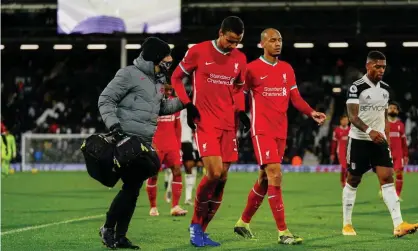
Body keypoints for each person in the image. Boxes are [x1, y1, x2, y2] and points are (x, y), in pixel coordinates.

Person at [232, 28, 326, 245]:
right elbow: (239, 94)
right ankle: (283, 232)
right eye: (273, 40)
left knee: (265, 178)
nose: (277, 43)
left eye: (280, 40)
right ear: (262, 44)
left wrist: (311, 111)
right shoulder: (252, 69)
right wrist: (240, 114)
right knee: (275, 174)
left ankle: (243, 222)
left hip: (280, 131)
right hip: (261, 129)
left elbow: (295, 97)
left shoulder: (286, 69)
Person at [97, 37, 184, 249]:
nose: (169, 60)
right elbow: (105, 99)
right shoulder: (128, 74)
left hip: (142, 143)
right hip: (124, 140)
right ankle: (109, 229)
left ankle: (119, 235)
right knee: (130, 188)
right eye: (166, 56)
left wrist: (185, 101)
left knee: (133, 188)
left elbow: (161, 109)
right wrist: (115, 127)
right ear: (155, 56)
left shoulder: (158, 81)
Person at [171, 16, 249, 247]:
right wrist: (187, 104)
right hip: (205, 122)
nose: (233, 46)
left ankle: (202, 231)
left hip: (229, 124)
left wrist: (242, 111)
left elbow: (237, 88)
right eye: (230, 40)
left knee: (223, 179)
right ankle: (195, 224)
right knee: (213, 173)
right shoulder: (199, 51)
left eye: (238, 42)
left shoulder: (240, 59)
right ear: (221, 33)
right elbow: (176, 77)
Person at [343, 50, 418, 237]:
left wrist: (386, 137)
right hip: (359, 140)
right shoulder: (356, 87)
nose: (381, 70)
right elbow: (352, 116)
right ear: (368, 66)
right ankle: (347, 224)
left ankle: (398, 224)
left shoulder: (385, 89)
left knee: (387, 178)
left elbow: (384, 115)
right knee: (353, 179)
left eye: (383, 67)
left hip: (379, 141)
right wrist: (370, 131)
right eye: (377, 66)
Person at [146, 84, 188, 217]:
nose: (168, 92)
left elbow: (177, 127)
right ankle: (153, 207)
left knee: (177, 172)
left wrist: (178, 146)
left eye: (170, 90)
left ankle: (175, 206)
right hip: (156, 145)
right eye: (166, 90)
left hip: (172, 145)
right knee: (153, 175)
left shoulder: (174, 105)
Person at [386, 101, 409, 198]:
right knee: (385, 176)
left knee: (399, 174)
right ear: (387, 110)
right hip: (386, 154)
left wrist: (406, 155)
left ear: (398, 111)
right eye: (390, 107)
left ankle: (397, 195)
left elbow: (404, 142)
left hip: (398, 154)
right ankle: (385, 194)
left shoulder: (401, 125)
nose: (392, 109)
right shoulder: (383, 124)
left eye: (395, 108)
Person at [179, 107, 198, 205]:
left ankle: (188, 197)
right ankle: (169, 190)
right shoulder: (175, 106)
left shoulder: (193, 107)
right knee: (173, 169)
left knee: (190, 167)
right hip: (176, 140)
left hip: (187, 141)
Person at [330, 115, 350, 188]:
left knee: (349, 166)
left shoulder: (351, 130)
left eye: (346, 120)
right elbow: (334, 142)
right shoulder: (337, 130)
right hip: (340, 151)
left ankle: (347, 179)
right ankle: (343, 181)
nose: (345, 121)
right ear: (341, 121)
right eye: (344, 120)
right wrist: (332, 153)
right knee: (344, 166)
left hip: (349, 151)